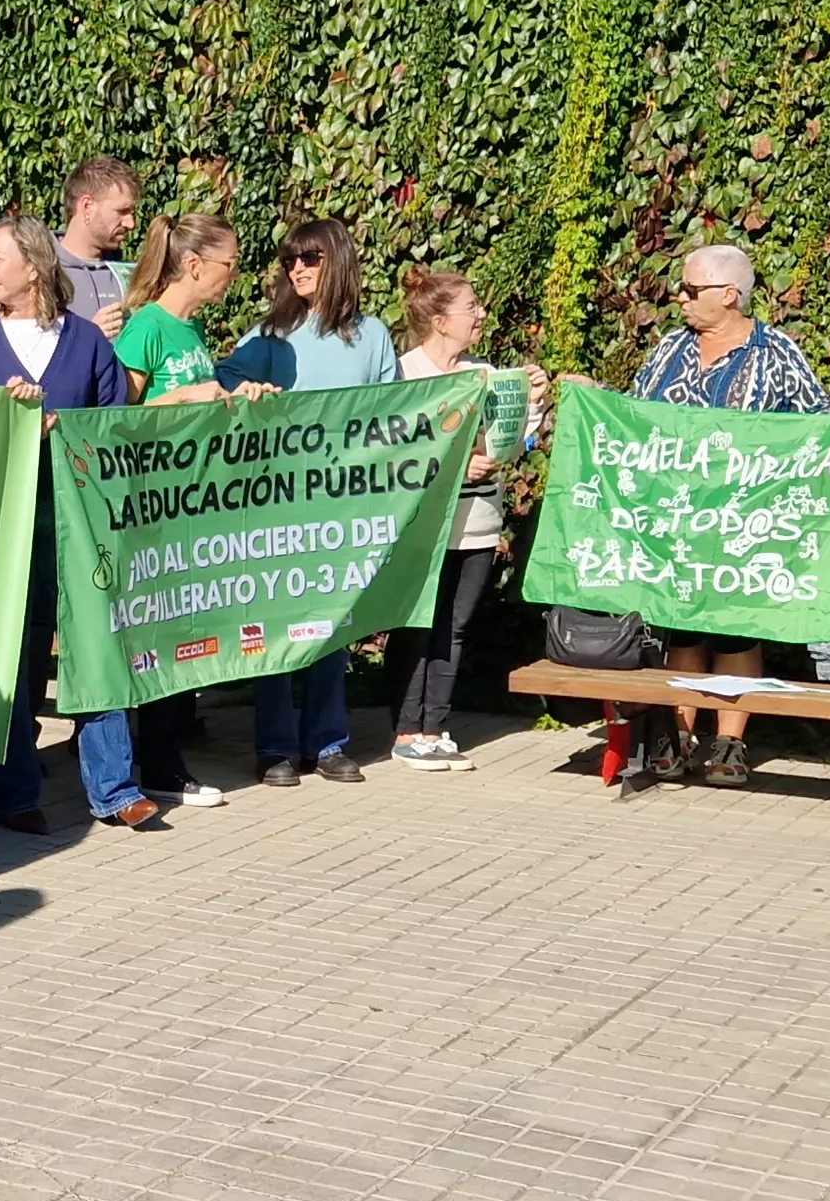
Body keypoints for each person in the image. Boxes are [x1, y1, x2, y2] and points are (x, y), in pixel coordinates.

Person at [0, 215, 154, 834]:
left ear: (33, 268)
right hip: (5, 525)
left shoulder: (87, 341)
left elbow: (115, 426)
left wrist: (67, 429)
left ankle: (115, 789)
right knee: (14, 654)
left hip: (77, 523)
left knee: (96, 645)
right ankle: (12, 793)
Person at [621, 242, 830, 787]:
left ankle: (730, 743)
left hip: (747, 522)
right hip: (678, 519)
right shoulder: (670, 349)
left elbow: (820, 423)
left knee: (737, 633)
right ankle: (676, 735)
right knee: (683, 633)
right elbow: (633, 416)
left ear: (729, 295)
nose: (681, 299)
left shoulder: (778, 353)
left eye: (691, 291)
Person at [240, 218, 400, 788]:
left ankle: (328, 743)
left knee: (333, 628)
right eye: (290, 260)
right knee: (273, 628)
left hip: (341, 509)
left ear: (338, 262)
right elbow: (228, 407)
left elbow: (398, 418)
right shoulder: (267, 336)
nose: (297, 269)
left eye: (310, 258)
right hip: (276, 507)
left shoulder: (373, 335)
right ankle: (276, 747)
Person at [112, 212, 245, 807]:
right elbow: (119, 418)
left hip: (189, 504)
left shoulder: (190, 334)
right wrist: (188, 394)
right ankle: (158, 766)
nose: (233, 277)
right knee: (162, 635)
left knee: (182, 631)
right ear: (194, 265)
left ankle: (166, 760)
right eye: (229, 265)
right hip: (152, 511)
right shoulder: (147, 327)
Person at [391, 267, 544, 773]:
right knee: (417, 625)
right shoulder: (404, 375)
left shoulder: (485, 373)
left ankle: (434, 728)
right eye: (471, 307)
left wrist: (533, 406)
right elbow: (395, 452)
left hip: (478, 519)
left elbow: (514, 442)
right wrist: (456, 468)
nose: (481, 315)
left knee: (453, 628)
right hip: (424, 525)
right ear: (439, 320)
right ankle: (406, 729)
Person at [55, 157, 139, 336]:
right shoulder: (40, 272)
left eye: (131, 212)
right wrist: (88, 336)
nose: (131, 223)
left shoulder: (127, 275)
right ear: (87, 206)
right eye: (121, 211)